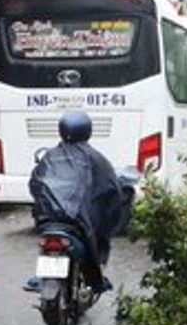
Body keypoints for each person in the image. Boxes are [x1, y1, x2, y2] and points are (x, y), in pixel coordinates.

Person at [22, 110, 131, 294]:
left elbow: (35, 184)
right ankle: (95, 280)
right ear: (87, 130)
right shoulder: (96, 158)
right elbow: (110, 189)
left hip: (49, 220)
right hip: (78, 222)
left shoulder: (49, 156)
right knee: (98, 237)